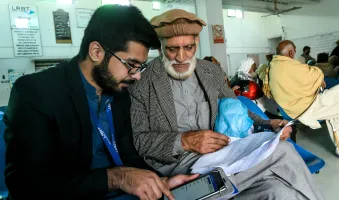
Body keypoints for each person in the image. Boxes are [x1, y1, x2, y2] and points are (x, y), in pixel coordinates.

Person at [3, 5, 197, 200]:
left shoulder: (119, 94)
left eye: (141, 67)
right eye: (131, 65)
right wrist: (117, 178)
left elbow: (129, 156)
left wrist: (160, 182)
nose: (137, 76)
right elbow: (25, 184)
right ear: (96, 51)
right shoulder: (37, 92)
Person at [130, 9, 325, 199]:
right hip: (183, 170)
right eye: (172, 49)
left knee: (282, 193)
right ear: (161, 47)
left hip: (225, 156)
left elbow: (236, 108)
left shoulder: (210, 72)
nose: (181, 57)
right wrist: (185, 140)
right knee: (283, 152)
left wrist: (268, 124)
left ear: (196, 43)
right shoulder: (142, 84)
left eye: (188, 48)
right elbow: (140, 141)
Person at [263, 40, 339, 159]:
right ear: (291, 52)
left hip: (291, 108)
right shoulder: (288, 65)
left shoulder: (273, 66)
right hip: (305, 108)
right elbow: (314, 74)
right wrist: (318, 79)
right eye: (295, 51)